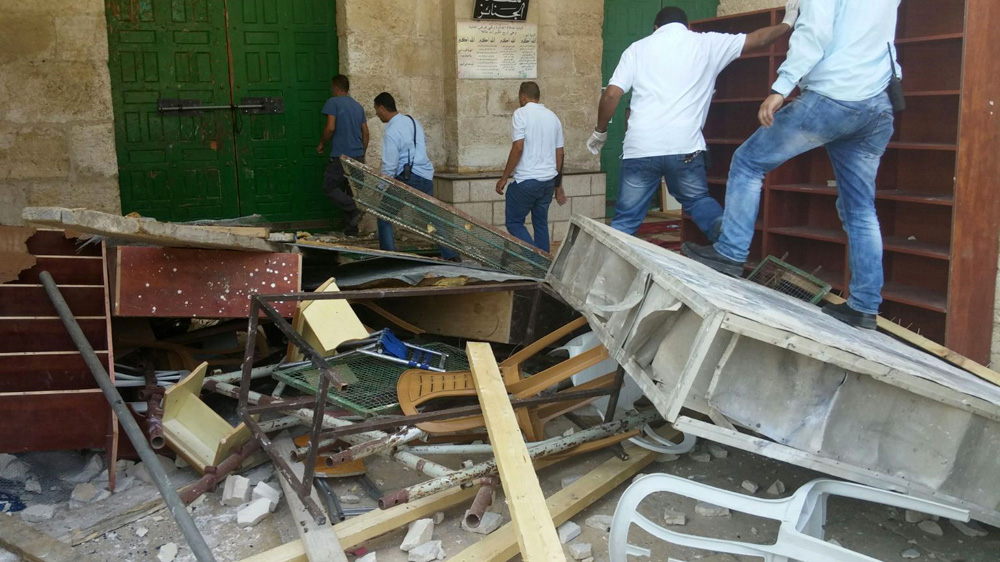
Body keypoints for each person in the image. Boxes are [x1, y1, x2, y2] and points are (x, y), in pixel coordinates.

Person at [683, 0, 901, 330]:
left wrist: (781, 87)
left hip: (832, 98)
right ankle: (864, 306)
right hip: (877, 106)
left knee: (747, 162)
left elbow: (813, 33)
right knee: (860, 210)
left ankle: (730, 253)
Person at [587, 4, 799, 239]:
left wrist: (600, 131)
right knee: (698, 201)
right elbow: (758, 39)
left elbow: (611, 95)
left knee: (625, 221)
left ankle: (608, 272)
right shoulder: (707, 43)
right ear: (686, 27)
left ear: (655, 27)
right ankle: (725, 238)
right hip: (686, 147)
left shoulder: (636, 49)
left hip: (641, 148)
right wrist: (787, 22)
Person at [373, 92, 459, 261]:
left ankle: (389, 258)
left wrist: (380, 187)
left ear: (382, 108)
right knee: (431, 219)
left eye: (376, 109)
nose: (376, 114)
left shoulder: (391, 131)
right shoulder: (413, 122)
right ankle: (451, 255)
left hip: (407, 179)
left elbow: (390, 165)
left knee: (383, 214)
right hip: (425, 175)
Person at [494, 81, 567, 252]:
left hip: (526, 181)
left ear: (523, 96)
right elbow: (560, 153)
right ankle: (544, 265)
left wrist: (504, 177)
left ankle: (535, 259)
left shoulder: (520, 114)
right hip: (548, 181)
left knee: (514, 222)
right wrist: (558, 184)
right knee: (540, 223)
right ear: (538, 96)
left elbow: (518, 147)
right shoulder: (553, 117)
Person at [317, 74, 368, 236]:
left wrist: (322, 143)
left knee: (329, 187)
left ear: (335, 87)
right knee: (350, 190)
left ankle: (354, 208)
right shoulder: (357, 106)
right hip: (357, 155)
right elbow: (366, 132)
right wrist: (361, 152)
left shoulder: (333, 103)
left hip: (341, 156)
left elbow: (330, 127)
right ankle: (351, 230)